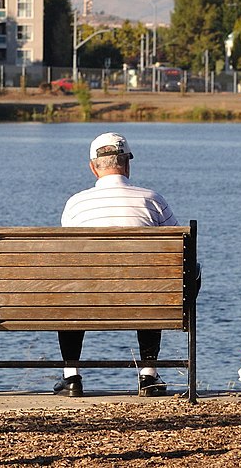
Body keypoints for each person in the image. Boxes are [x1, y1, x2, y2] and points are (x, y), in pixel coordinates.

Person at [56, 132, 178, 397]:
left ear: (92, 167)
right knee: (151, 284)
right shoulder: (153, 201)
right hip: (141, 297)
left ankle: (71, 376)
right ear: (127, 164)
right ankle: (148, 375)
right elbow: (178, 253)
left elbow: (69, 258)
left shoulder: (76, 204)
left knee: (69, 290)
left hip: (87, 297)